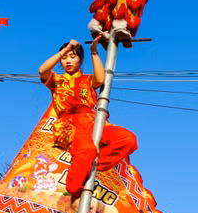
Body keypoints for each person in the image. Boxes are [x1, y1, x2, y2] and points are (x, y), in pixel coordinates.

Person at [38, 38, 138, 202]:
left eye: (73, 56)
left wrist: (94, 51)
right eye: (64, 58)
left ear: (81, 59)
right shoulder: (56, 80)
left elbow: (100, 79)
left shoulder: (87, 80)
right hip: (69, 125)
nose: (68, 60)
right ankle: (74, 188)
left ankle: (90, 167)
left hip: (93, 121)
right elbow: (42, 70)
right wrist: (64, 51)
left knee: (128, 139)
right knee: (86, 149)